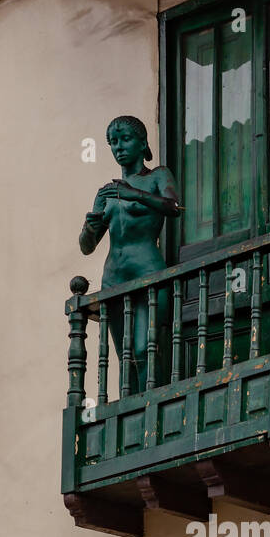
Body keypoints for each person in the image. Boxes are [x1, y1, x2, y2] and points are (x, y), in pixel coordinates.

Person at [79, 116, 181, 393]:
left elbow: (174, 207)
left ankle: (152, 408)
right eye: (113, 142)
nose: (119, 147)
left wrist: (135, 194)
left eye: (126, 139)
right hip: (114, 277)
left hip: (147, 271)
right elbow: (87, 246)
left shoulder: (157, 175)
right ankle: (130, 412)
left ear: (143, 143)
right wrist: (93, 219)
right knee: (124, 355)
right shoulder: (107, 193)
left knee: (143, 347)